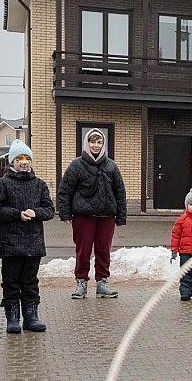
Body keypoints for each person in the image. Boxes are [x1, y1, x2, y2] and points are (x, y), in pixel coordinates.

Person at [0, 141, 53, 334]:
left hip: (34, 243)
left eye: (27, 158)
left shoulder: (39, 184)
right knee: (11, 281)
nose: (24, 162)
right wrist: (16, 214)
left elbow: (49, 210)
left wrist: (36, 212)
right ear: (12, 162)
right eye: (19, 159)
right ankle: (12, 317)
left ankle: (31, 317)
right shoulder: (3, 183)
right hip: (11, 243)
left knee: (30, 282)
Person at [57, 128, 126, 300]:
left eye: (99, 142)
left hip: (106, 217)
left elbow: (120, 191)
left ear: (103, 144)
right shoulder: (76, 165)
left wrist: (121, 215)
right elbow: (65, 190)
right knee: (83, 250)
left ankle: (102, 282)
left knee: (104, 250)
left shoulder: (111, 166)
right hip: (83, 217)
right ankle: (81, 282)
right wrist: (65, 214)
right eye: (92, 141)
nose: (95, 145)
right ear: (86, 143)